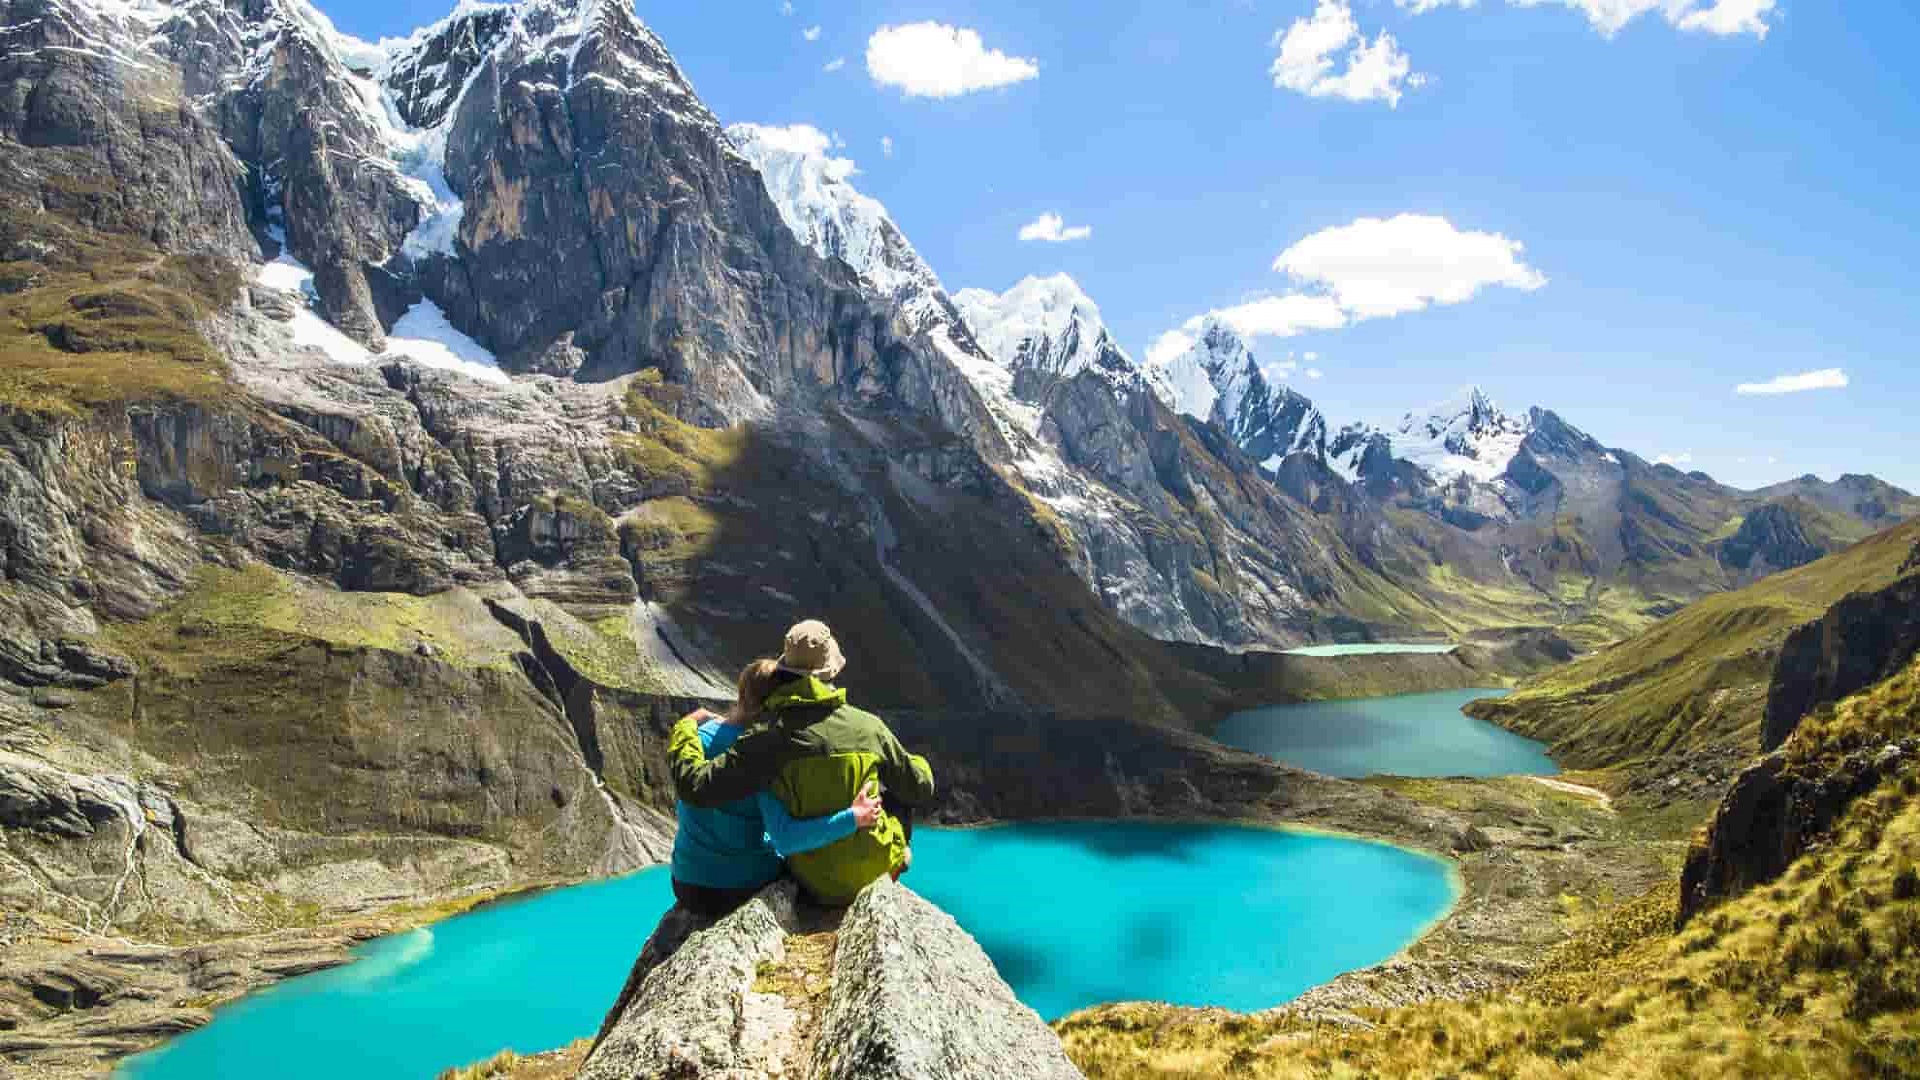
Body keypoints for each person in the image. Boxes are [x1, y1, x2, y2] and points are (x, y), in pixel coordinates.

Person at [670, 620, 936, 906]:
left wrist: (684, 727)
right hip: (871, 868)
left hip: (809, 879)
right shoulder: (870, 727)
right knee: (898, 784)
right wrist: (915, 763)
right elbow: (920, 787)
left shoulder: (767, 740)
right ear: (832, 670)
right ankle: (898, 855)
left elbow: (696, 786)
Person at [670, 658, 884, 917]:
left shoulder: (699, 735)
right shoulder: (762, 752)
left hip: (685, 883)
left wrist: (692, 720)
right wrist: (853, 817)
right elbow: (786, 838)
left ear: (741, 690)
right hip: (736, 888)